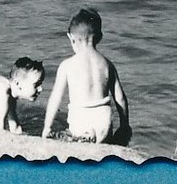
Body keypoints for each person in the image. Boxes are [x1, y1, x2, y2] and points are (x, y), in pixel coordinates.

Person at [41, 8, 131, 145]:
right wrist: (125, 126)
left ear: (71, 38)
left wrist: (47, 128)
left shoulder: (67, 65)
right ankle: (99, 138)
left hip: (80, 121)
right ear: (100, 37)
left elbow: (55, 99)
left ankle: (83, 138)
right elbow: (120, 99)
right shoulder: (107, 64)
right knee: (105, 142)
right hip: (103, 122)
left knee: (65, 136)